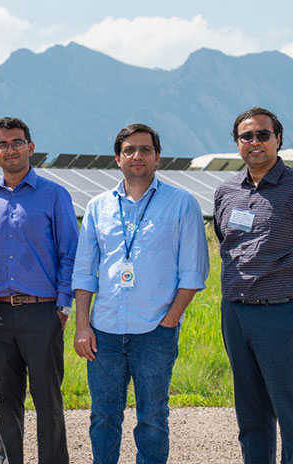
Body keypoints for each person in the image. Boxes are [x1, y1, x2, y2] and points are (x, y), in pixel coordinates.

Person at [72, 123, 209, 463]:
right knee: (103, 416)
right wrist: (82, 326)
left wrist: (170, 320)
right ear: (118, 158)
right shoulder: (98, 207)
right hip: (104, 332)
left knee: (152, 417)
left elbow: (193, 271)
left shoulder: (181, 203)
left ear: (157, 157)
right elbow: (85, 272)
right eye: (129, 150)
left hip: (155, 330)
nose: (137, 156)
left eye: (145, 149)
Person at [213, 107, 293, 463]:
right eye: (246, 137)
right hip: (235, 313)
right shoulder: (227, 192)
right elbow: (227, 243)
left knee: (292, 412)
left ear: (278, 139)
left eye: (262, 135)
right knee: (251, 415)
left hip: (283, 312)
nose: (255, 143)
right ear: (237, 143)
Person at [0, 117, 78, 464]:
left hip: (42, 312)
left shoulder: (54, 195)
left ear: (31, 148)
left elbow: (69, 254)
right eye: (3, 144)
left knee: (48, 401)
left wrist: (63, 307)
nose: (11, 149)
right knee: (6, 404)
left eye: (17, 142)